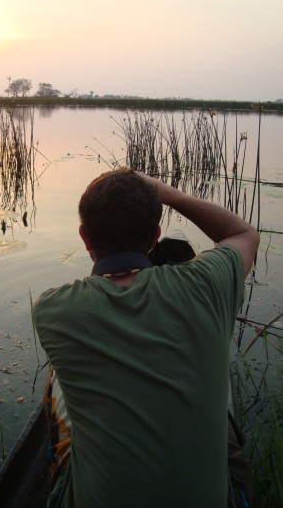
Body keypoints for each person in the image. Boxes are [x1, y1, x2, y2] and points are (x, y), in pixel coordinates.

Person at [33, 168, 259, 508]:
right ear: (155, 236)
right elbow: (243, 234)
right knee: (225, 436)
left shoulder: (53, 311)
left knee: (56, 381)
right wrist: (169, 193)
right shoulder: (207, 284)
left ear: (85, 238)